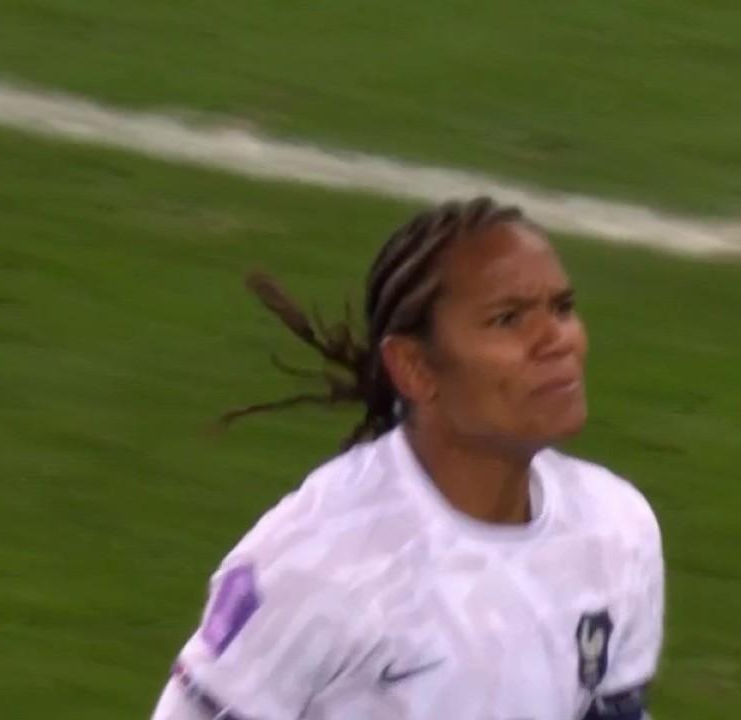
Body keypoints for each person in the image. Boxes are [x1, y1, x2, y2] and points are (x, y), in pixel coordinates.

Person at [150, 197, 665, 719]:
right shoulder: (317, 564)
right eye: (507, 319)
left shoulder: (616, 529)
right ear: (415, 368)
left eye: (562, 308)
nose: (556, 340)